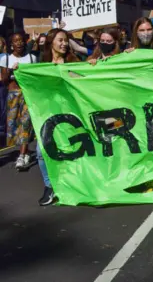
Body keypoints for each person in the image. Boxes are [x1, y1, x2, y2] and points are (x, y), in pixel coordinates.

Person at [37, 29, 81, 205]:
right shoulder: (42, 64)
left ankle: (75, 184)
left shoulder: (73, 61)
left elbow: (83, 79)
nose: (64, 44)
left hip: (70, 113)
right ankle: (49, 186)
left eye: (66, 41)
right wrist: (20, 71)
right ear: (51, 42)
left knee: (73, 148)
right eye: (60, 40)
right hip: (48, 113)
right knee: (41, 151)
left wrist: (72, 74)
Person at [1, 32, 38, 170]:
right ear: (12, 44)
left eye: (21, 40)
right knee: (13, 125)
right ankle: (26, 151)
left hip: (28, 94)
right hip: (12, 95)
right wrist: (11, 69)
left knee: (26, 123)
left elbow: (35, 78)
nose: (19, 43)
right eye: (16, 41)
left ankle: (22, 155)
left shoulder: (32, 58)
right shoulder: (6, 58)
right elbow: (4, 80)